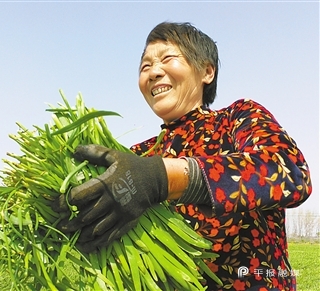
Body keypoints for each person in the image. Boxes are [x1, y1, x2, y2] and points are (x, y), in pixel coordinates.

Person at [54, 22, 312, 291]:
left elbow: (289, 171)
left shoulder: (236, 118)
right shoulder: (139, 155)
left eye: (167, 59)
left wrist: (163, 178)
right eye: (145, 67)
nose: (153, 72)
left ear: (207, 71)